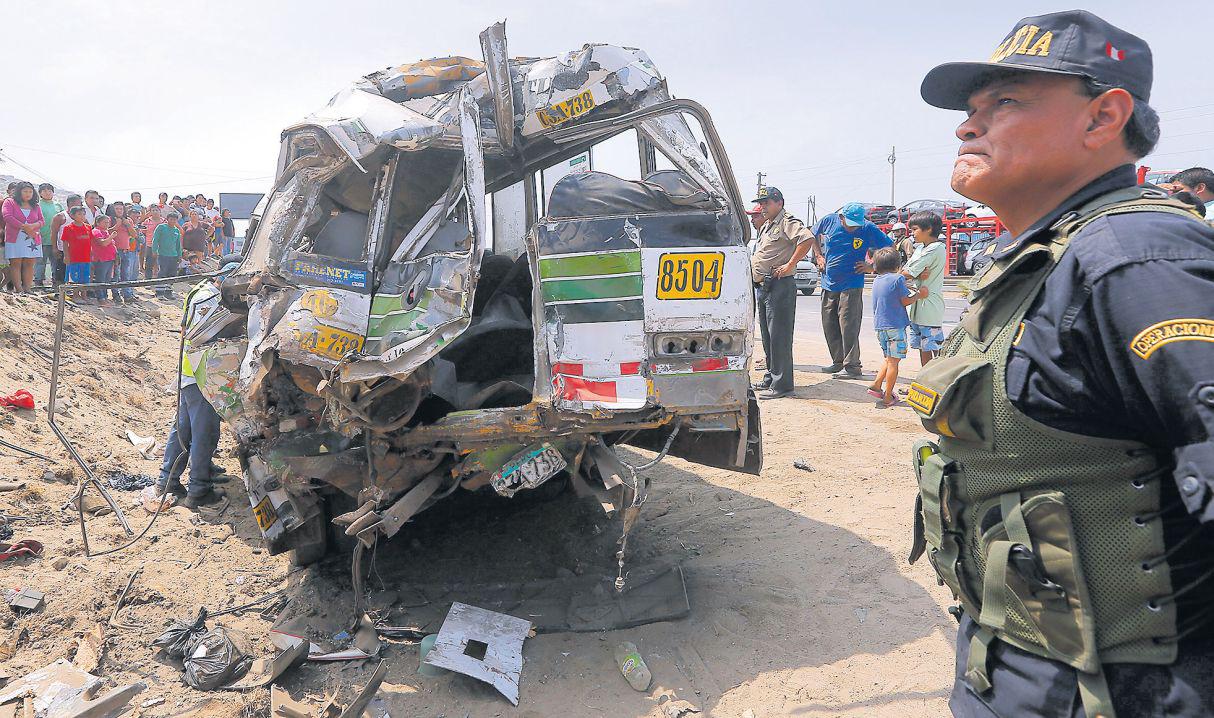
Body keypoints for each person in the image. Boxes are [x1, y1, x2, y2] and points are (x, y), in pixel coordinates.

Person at [910, 11, 1214, 717]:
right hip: (1021, 671)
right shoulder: (1047, 256)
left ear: (1104, 116)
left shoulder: (1137, 259)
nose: (966, 126)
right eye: (969, 110)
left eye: (1005, 102)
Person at [156, 268, 237, 510]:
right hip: (201, 373)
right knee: (205, 432)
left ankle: (168, 481)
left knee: (182, 429)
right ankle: (199, 489)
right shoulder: (210, 297)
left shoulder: (199, 290)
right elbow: (202, 333)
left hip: (190, 371)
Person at [809, 202, 892, 377]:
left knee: (849, 325)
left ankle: (852, 366)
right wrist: (818, 256)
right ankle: (837, 361)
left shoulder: (868, 228)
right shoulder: (829, 221)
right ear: (841, 218)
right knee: (829, 324)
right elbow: (811, 235)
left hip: (852, 283)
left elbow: (889, 247)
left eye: (857, 225)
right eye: (850, 224)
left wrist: (872, 266)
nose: (854, 228)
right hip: (828, 282)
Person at [749, 186, 814, 399]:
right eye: (762, 203)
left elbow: (807, 239)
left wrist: (790, 264)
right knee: (768, 337)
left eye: (767, 203)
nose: (763, 207)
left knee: (779, 337)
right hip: (765, 286)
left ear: (779, 202)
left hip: (780, 285)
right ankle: (771, 377)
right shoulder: (767, 225)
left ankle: (782, 385)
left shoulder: (787, 221)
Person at [867, 247, 926, 407]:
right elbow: (905, 300)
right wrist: (919, 295)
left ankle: (877, 384)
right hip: (896, 326)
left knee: (888, 358)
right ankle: (887, 396)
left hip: (880, 327)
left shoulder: (877, 280)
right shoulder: (898, 279)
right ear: (897, 265)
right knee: (894, 362)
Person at [901, 211, 947, 366]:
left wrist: (913, 273)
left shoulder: (936, 248)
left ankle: (940, 381)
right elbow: (908, 270)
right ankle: (924, 381)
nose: (912, 233)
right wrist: (916, 274)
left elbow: (907, 272)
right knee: (923, 347)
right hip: (917, 306)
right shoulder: (920, 248)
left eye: (915, 229)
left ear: (928, 229)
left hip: (929, 307)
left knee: (935, 348)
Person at [1, 181, 45, 293]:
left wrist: (33, 226)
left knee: (30, 263)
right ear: (19, 191)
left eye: (30, 191)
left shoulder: (36, 205)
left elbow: (41, 221)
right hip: (15, 238)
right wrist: (24, 227)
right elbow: (7, 217)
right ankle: (19, 289)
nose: (28, 194)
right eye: (25, 191)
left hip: (32, 238)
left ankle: (27, 288)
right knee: (16, 263)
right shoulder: (9, 202)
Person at [61, 206, 93, 304]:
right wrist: (66, 256)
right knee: (74, 277)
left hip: (86, 257)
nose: (82, 216)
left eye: (83, 214)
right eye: (79, 214)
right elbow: (65, 243)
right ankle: (75, 295)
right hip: (74, 258)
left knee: (85, 277)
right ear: (72, 215)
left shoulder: (88, 227)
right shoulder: (68, 228)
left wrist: (91, 254)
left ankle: (84, 295)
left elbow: (90, 241)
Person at [50, 194, 82, 286]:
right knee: (61, 273)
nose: (81, 205)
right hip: (62, 250)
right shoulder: (60, 217)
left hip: (77, 251)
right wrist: (55, 248)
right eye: (79, 203)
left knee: (74, 274)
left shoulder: (81, 217)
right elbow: (54, 233)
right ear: (71, 203)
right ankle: (59, 293)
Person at [110, 202, 139, 302]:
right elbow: (107, 232)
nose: (119, 211)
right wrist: (117, 225)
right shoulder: (110, 219)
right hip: (115, 251)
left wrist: (127, 224)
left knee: (126, 274)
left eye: (121, 209)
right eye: (117, 209)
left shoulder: (128, 220)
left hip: (126, 250)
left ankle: (127, 294)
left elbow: (134, 235)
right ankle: (116, 295)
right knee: (115, 274)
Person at [35, 183, 62, 288]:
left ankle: (55, 282)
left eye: (50, 190)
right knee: (40, 262)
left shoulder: (58, 205)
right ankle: (38, 282)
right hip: (41, 238)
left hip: (55, 240)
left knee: (55, 262)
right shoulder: (37, 205)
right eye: (44, 191)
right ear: (40, 193)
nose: (47, 193)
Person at [152, 211, 183, 298]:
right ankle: (159, 293)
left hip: (174, 255)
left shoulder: (176, 230)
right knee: (162, 273)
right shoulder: (161, 227)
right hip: (163, 254)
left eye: (174, 220)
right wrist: (154, 251)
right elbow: (155, 239)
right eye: (171, 219)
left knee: (172, 274)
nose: (173, 221)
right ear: (167, 219)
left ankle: (168, 292)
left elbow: (178, 244)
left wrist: (179, 255)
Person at [90, 215, 119, 306]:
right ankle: (101, 298)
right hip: (101, 259)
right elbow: (103, 243)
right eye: (105, 222)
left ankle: (105, 297)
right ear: (98, 223)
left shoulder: (105, 231)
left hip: (109, 259)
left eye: (108, 222)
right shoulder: (96, 231)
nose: (107, 224)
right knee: (100, 279)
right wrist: (111, 236)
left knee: (107, 280)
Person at [140, 204, 162, 279]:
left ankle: (160, 281)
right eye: (153, 210)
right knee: (149, 264)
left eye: (157, 210)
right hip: (150, 245)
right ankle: (148, 280)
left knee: (161, 264)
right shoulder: (147, 221)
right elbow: (142, 232)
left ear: (160, 211)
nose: (155, 212)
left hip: (162, 246)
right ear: (150, 212)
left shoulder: (164, 221)